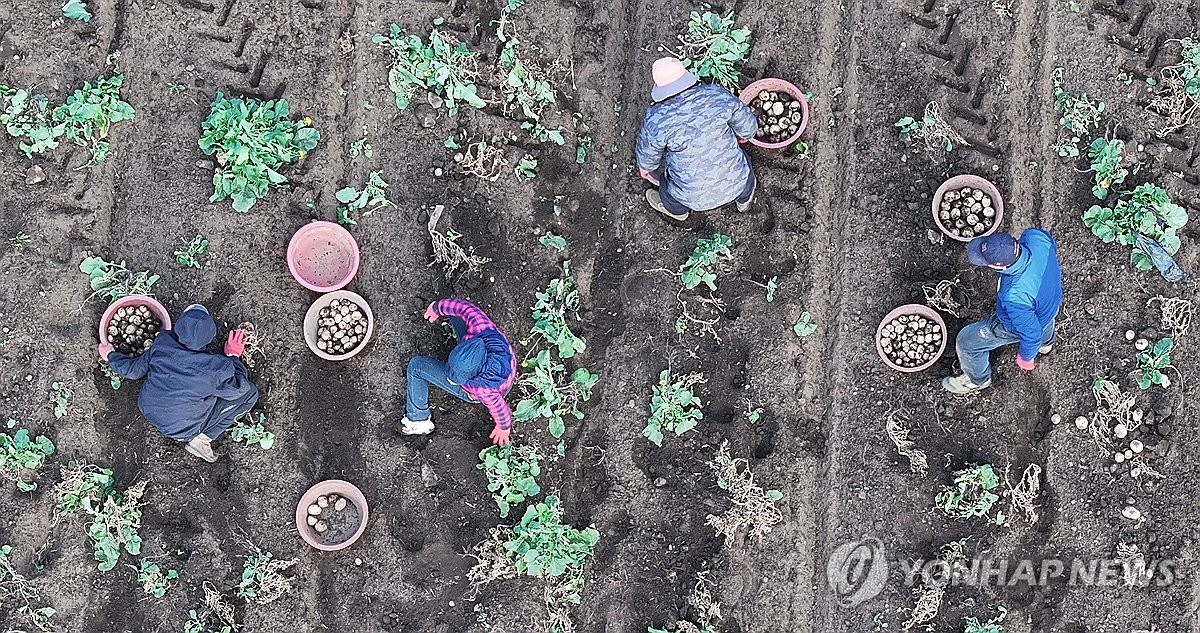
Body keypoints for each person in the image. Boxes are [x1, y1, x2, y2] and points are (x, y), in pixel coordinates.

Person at [97, 305, 259, 462]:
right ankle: (202, 439)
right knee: (250, 393)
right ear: (211, 336)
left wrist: (111, 355)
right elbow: (239, 387)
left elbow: (132, 371)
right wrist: (232, 356)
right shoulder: (216, 369)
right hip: (183, 429)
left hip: (149, 409)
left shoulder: (162, 344)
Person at [634, 57, 759, 221]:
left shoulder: (656, 118)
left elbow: (647, 159)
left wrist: (645, 168)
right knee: (745, 168)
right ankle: (744, 201)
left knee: (668, 188)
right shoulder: (715, 94)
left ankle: (678, 212)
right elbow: (749, 129)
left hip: (691, 199)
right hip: (737, 183)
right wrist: (743, 137)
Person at [943, 230, 1064, 394]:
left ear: (999, 266)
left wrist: (1025, 359)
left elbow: (1031, 333)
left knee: (967, 342)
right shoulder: (1036, 237)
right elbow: (1051, 245)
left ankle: (978, 380)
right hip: (1050, 302)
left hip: (1021, 319)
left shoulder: (1014, 296)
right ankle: (1046, 344)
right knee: (1045, 319)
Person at [400, 298, 515, 445]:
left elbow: (501, 409)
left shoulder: (485, 390)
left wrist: (503, 427)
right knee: (455, 312)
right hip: (504, 365)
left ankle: (418, 420)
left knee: (416, 367)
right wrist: (438, 307)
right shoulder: (481, 327)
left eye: (458, 376)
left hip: (483, 390)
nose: (452, 377)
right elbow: (465, 308)